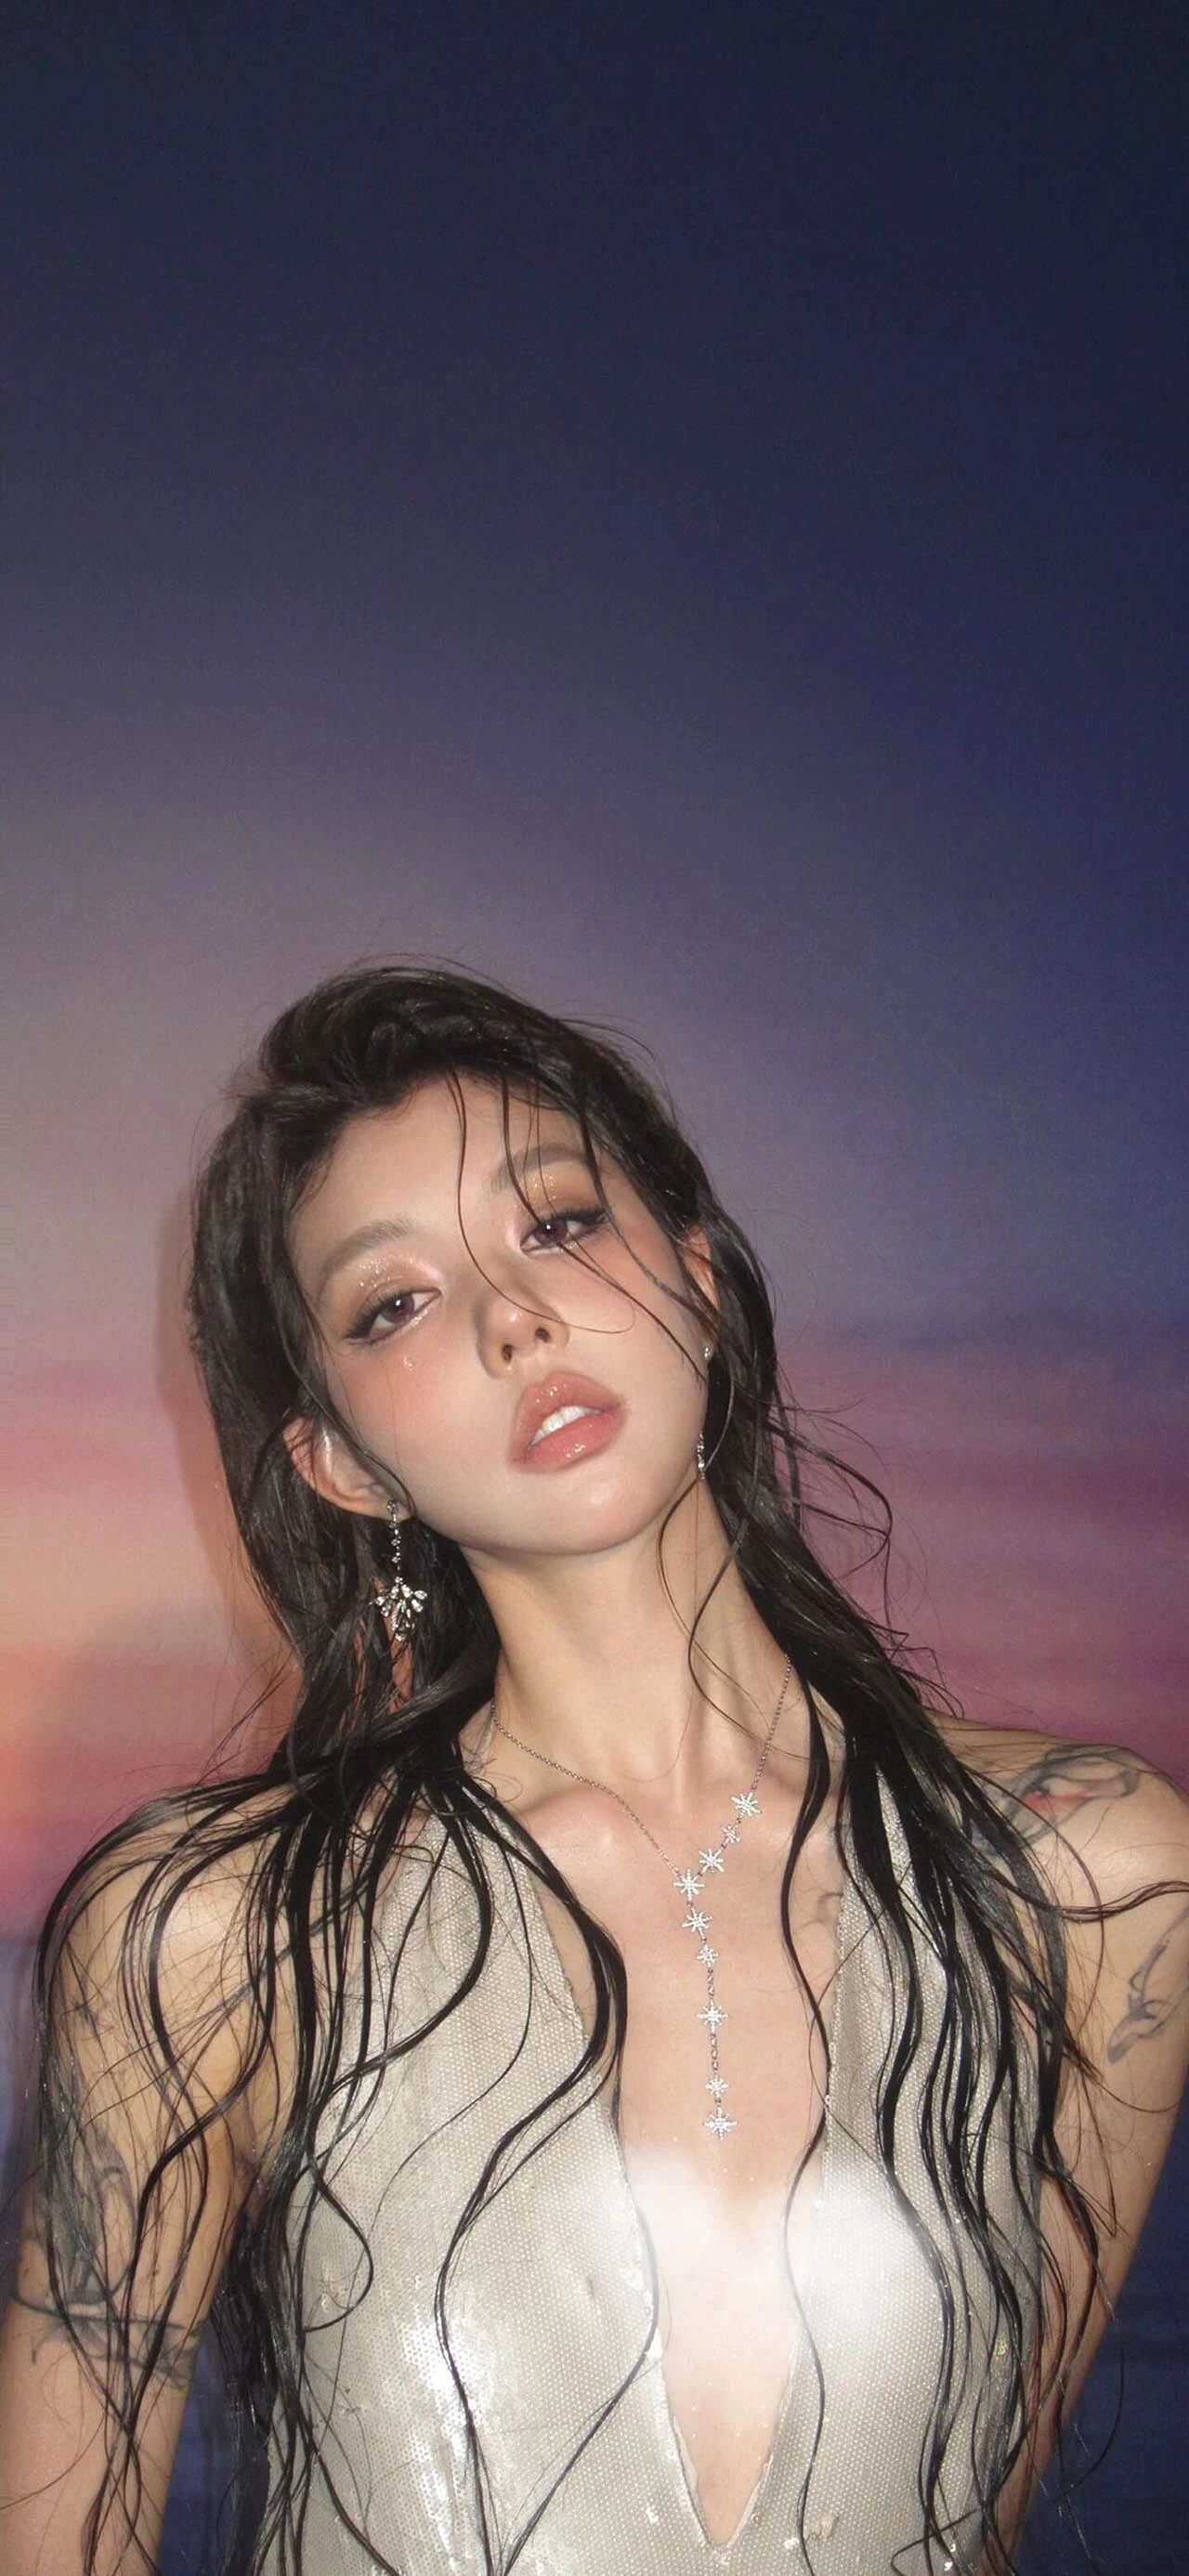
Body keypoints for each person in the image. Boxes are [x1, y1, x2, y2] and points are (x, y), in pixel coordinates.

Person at [1, 961, 1185, 2576]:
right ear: (338, 1460)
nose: (514, 1314)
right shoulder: (212, 1938)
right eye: (394, 1303)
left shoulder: (1093, 1877)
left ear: (698, 1276)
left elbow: (973, 2518)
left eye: (556, 1221)